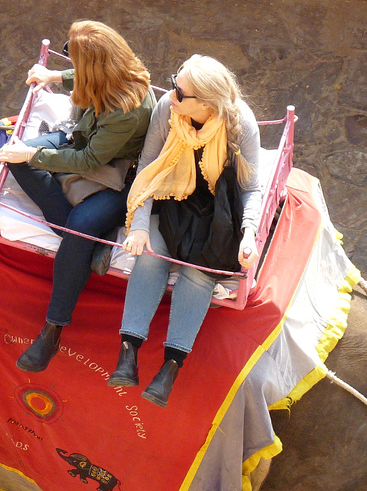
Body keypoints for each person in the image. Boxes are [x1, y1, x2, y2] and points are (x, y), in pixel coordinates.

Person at [0, 20, 155, 372]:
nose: (71, 63)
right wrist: (54, 77)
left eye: (75, 58)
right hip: (80, 139)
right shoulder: (105, 76)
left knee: (79, 227)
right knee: (15, 159)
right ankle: (90, 247)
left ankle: (54, 329)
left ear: (97, 65)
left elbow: (91, 160)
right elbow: (84, 82)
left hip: (116, 171)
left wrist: (35, 156)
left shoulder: (127, 108)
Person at [107, 55, 263, 407]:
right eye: (175, 83)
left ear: (206, 105)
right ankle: (128, 350)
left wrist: (249, 232)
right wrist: (141, 226)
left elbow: (252, 189)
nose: (172, 93)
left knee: (199, 272)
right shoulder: (168, 109)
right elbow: (148, 167)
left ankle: (171, 366)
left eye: (181, 91)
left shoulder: (242, 125)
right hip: (172, 198)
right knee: (150, 256)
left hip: (218, 210)